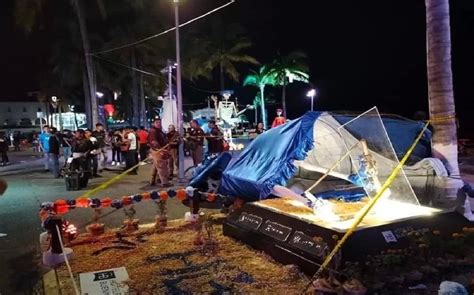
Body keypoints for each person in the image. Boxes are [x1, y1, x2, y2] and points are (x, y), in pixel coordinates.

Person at [148, 118, 171, 187]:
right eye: (157, 122)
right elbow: (154, 142)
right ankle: (164, 182)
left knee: (156, 166)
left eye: (159, 122)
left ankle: (153, 180)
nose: (159, 124)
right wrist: (161, 150)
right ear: (153, 123)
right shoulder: (153, 131)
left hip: (159, 150)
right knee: (162, 166)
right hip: (158, 151)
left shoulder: (159, 131)